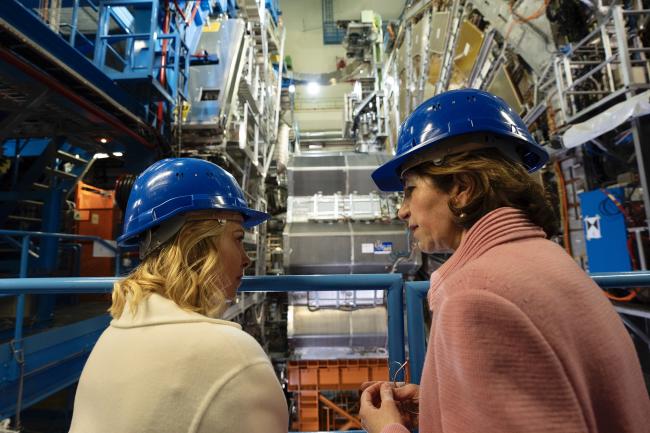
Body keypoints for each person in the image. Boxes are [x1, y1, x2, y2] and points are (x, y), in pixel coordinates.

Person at [359, 89, 650, 433]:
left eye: (409, 190)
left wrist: (388, 430)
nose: (402, 210)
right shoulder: (550, 261)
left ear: (462, 187)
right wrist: (444, 400)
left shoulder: (475, 300)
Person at [69, 158, 288, 433]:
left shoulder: (108, 340)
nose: (246, 259)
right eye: (237, 238)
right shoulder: (234, 355)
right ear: (196, 245)